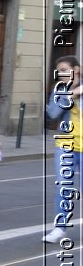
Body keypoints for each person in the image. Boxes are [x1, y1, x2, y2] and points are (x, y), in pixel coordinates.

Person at [45, 56, 81, 244]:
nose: (62, 73)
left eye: (65, 69)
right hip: (66, 144)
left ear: (77, 69)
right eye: (59, 70)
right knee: (63, 187)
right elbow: (53, 114)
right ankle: (59, 228)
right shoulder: (59, 89)